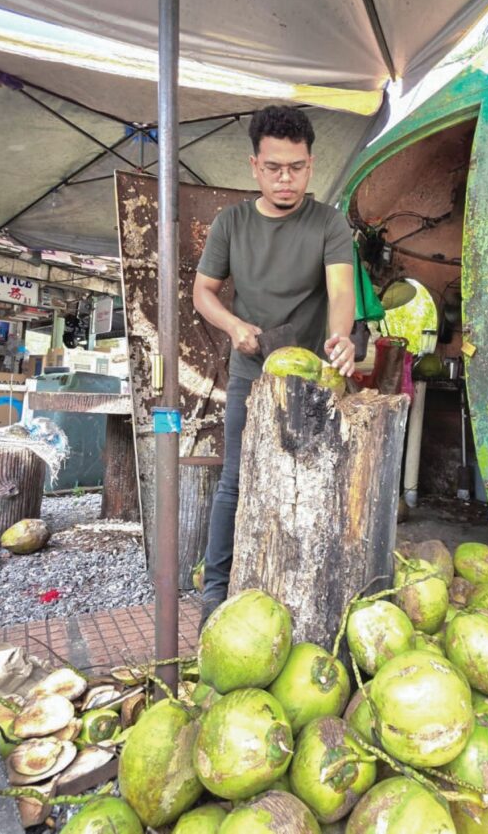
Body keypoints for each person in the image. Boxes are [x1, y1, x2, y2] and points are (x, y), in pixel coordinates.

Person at [192, 105, 356, 623]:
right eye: (274, 168)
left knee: (318, 480)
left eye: (298, 167)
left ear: (311, 164)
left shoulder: (329, 222)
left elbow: (341, 290)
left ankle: (312, 590)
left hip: (313, 377)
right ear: (254, 165)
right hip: (252, 373)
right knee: (235, 481)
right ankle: (214, 593)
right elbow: (204, 293)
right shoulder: (232, 223)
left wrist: (341, 337)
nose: (287, 179)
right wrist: (234, 326)